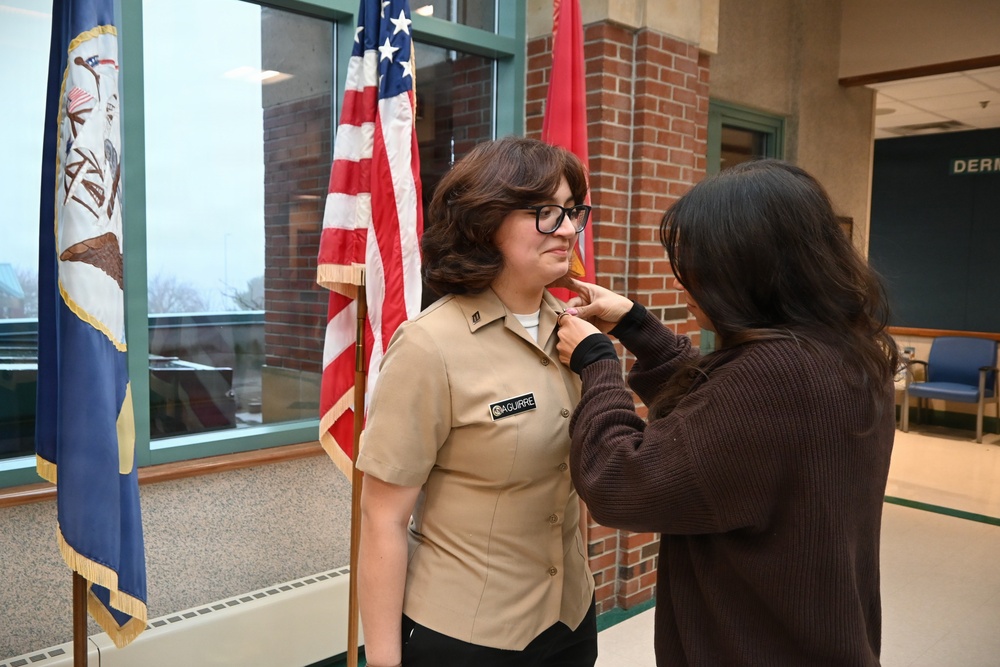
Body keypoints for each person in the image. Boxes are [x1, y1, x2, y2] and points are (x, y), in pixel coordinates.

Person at [555, 159, 898, 666]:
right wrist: (635, 326)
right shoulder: (841, 350)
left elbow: (617, 480)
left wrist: (597, 363)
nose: (684, 284)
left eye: (700, 268)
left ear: (749, 272)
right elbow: (726, 426)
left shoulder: (776, 376)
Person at [356, 135, 597, 667]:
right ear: (485, 222)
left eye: (571, 211)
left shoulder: (576, 333)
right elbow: (382, 519)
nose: (567, 229)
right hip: (467, 633)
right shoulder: (428, 345)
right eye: (545, 212)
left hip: (571, 617)